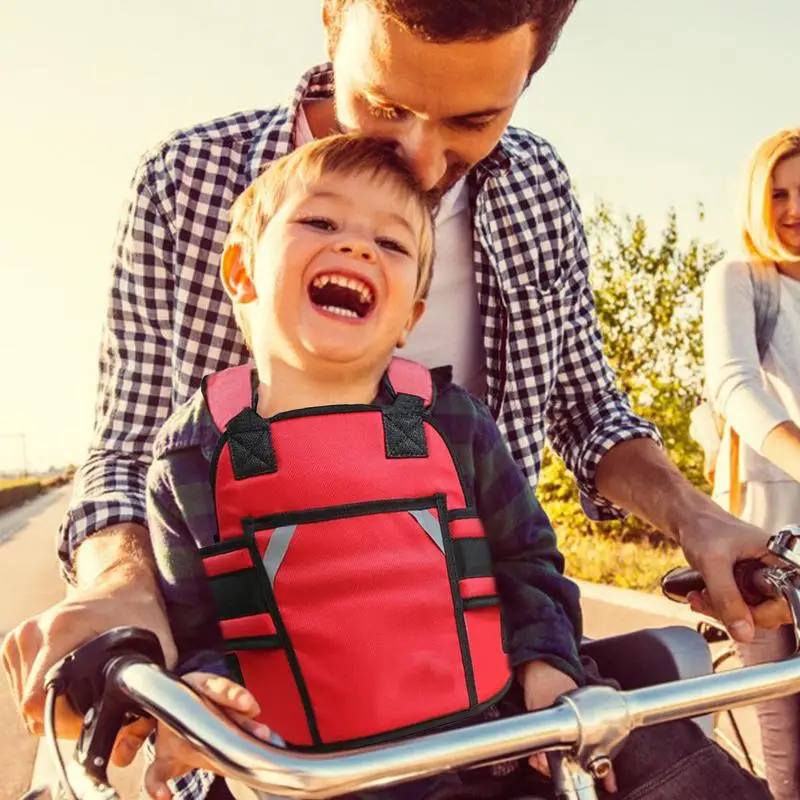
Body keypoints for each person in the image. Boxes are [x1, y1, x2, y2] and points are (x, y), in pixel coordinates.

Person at [2, 0, 787, 788]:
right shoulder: (189, 179)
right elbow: (130, 446)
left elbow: (588, 414)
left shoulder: (536, 188)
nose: (420, 158)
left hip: (500, 678)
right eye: (386, 106)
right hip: (283, 733)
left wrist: (699, 518)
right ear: (333, 23)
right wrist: (123, 591)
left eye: (474, 121)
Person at [142, 133, 768, 800]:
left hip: (497, 741)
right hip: (324, 780)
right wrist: (204, 694)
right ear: (241, 272)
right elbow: (197, 629)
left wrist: (548, 666)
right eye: (319, 221)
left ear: (409, 315)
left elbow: (527, 564)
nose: (356, 247)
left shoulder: (452, 423)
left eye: (391, 244)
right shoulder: (191, 460)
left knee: (648, 741)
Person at [692, 128, 800, 800]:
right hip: (765, 545)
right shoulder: (744, 281)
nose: (791, 208)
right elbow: (735, 383)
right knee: (784, 762)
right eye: (778, 193)